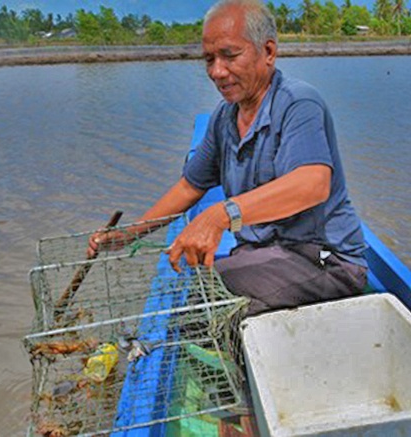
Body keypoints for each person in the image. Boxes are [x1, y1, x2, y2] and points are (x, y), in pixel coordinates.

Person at [89, 0, 368, 317]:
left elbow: (312, 184)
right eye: (209, 59)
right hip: (266, 254)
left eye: (230, 56)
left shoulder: (298, 103)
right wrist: (127, 235)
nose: (217, 72)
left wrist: (220, 215)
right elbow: (188, 187)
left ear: (269, 53)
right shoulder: (224, 118)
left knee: (211, 295)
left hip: (323, 259)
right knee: (202, 284)